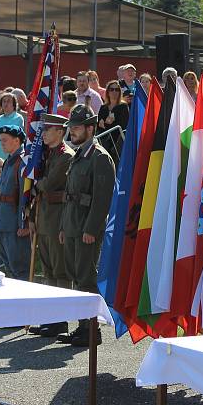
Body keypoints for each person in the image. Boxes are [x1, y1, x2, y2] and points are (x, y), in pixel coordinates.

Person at [57, 105, 115, 347]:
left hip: (86, 228)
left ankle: (91, 330)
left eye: (78, 127)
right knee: (75, 276)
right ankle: (82, 327)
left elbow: (102, 199)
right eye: (71, 127)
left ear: (90, 128)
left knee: (86, 279)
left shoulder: (100, 157)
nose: (73, 131)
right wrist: (63, 225)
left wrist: (91, 229)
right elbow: (69, 194)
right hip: (71, 224)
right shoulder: (79, 155)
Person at [28, 113, 75, 338]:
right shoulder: (47, 155)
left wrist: (37, 183)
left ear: (60, 132)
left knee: (60, 271)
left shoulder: (65, 156)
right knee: (48, 270)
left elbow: (49, 183)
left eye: (48, 130)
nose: (44, 134)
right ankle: (51, 318)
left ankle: (61, 319)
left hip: (58, 218)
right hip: (45, 215)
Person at [0, 126, 30, 280]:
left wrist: (23, 224)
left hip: (15, 224)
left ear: (17, 140)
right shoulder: (9, 160)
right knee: (8, 267)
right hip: (4, 221)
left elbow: (25, 196)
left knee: (19, 269)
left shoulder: (22, 162)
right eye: (0, 139)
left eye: (5, 139)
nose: (1, 143)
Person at [97, 80, 129, 166]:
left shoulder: (123, 106)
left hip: (117, 141)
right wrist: (104, 124)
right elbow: (99, 126)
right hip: (104, 140)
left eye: (117, 89)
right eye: (112, 89)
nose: (114, 92)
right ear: (107, 92)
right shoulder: (103, 107)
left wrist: (107, 124)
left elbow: (123, 125)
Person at [0, 92, 24, 159]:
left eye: (8, 101)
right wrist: (0, 134)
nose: (6, 103)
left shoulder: (19, 118)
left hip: (14, 158)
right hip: (0, 158)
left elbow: (14, 135)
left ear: (14, 105)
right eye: (4, 101)